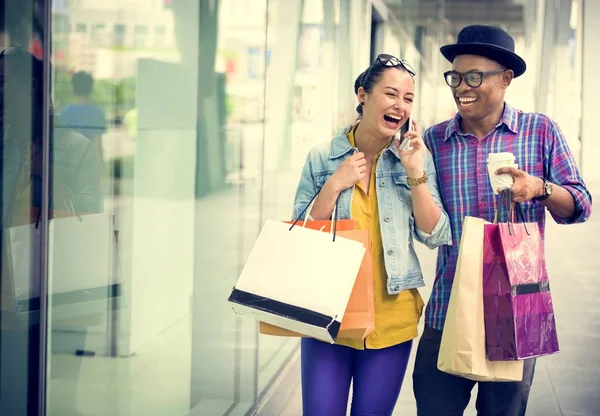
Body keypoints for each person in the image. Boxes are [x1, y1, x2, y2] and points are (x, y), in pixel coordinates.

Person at [413, 25, 592, 415]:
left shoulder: (539, 131)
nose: (463, 87)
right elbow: (424, 220)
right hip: (447, 306)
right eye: (455, 77)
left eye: (475, 77)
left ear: (506, 79)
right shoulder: (436, 140)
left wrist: (540, 188)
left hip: (515, 312)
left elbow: (580, 204)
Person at [292, 54, 452, 415]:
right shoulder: (323, 158)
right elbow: (300, 233)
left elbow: (436, 233)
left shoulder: (414, 160)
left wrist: (415, 173)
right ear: (363, 95)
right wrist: (334, 185)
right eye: (390, 93)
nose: (400, 105)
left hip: (390, 319)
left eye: (408, 98)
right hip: (329, 315)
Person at [0, 47, 102, 416]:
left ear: (28, 85)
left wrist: (49, 176)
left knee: (54, 395)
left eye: (2, 81)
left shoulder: (75, 148)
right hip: (7, 290)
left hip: (56, 290)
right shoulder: (4, 142)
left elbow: (88, 217)